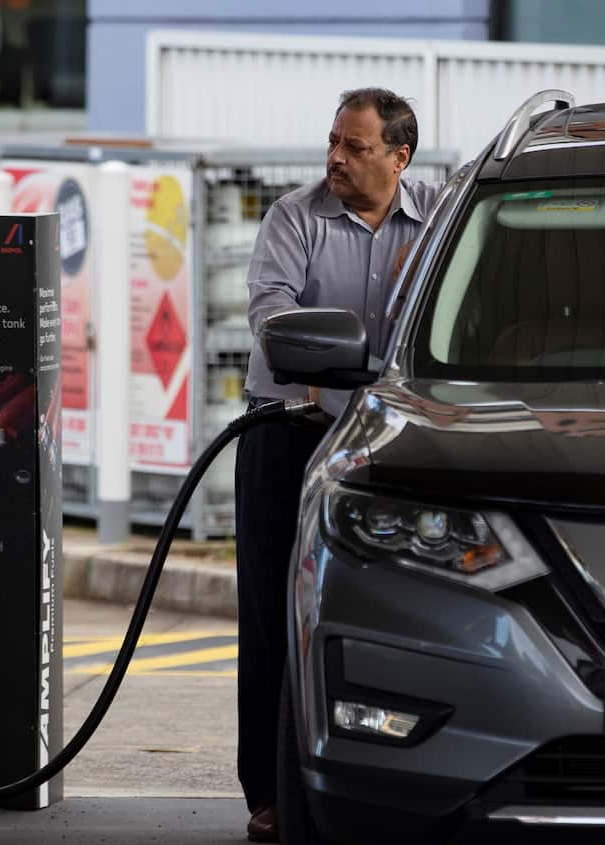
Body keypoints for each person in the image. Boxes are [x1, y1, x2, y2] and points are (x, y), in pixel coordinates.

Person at [234, 87, 443, 843]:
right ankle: (270, 790)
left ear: (399, 155)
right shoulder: (295, 217)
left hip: (399, 445)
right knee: (272, 619)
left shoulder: (440, 220)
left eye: (356, 148)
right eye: (333, 142)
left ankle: (399, 780)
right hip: (291, 431)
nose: (336, 159)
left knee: (403, 613)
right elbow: (272, 317)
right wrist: (336, 386)